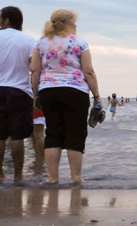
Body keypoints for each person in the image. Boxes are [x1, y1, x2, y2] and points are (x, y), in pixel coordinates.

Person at [31, 9, 102, 185]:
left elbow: (35, 70)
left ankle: (53, 178)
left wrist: (36, 94)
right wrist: (97, 96)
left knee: (53, 133)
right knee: (75, 134)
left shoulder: (40, 43)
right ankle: (76, 178)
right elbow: (89, 71)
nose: (76, 26)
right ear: (70, 24)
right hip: (75, 91)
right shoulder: (79, 42)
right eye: (75, 23)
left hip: (49, 91)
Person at [0, 6, 37, 182]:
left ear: (7, 20)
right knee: (18, 136)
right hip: (21, 91)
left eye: (0, 19)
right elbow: (33, 65)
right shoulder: (30, 41)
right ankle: (18, 177)